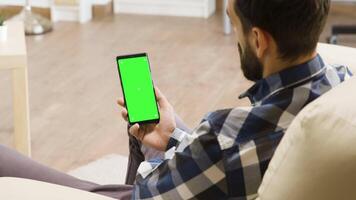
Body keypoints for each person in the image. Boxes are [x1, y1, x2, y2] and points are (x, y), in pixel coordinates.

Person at [0, 0, 352, 199]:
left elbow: (146, 191)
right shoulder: (342, 84)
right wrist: (176, 137)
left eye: (235, 24)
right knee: (148, 139)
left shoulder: (225, 136)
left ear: (259, 41)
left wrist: (164, 156)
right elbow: (225, 160)